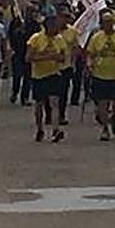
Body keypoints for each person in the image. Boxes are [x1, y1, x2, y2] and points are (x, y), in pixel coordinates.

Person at [85, 11, 115, 141]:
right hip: (100, 74)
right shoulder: (96, 38)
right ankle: (105, 128)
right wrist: (89, 64)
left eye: (109, 22)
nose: (107, 25)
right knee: (102, 103)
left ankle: (113, 118)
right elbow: (90, 53)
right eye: (104, 23)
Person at [27, 14, 67, 143]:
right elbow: (28, 58)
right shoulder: (36, 39)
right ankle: (40, 128)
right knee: (39, 105)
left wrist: (58, 58)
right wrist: (47, 57)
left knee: (54, 102)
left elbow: (63, 57)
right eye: (54, 25)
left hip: (54, 74)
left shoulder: (59, 39)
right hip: (39, 76)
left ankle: (56, 129)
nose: (56, 28)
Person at [8, 5, 36, 106]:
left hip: (28, 53)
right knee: (17, 75)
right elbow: (11, 35)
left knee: (28, 77)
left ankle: (25, 97)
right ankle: (15, 92)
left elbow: (36, 36)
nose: (31, 14)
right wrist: (18, 32)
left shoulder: (34, 24)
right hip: (18, 52)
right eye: (30, 11)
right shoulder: (16, 22)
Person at [57, 3, 81, 122]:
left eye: (66, 16)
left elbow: (76, 48)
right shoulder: (51, 30)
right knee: (50, 92)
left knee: (63, 92)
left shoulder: (72, 31)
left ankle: (61, 114)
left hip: (66, 65)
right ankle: (50, 113)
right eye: (62, 16)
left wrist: (73, 63)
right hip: (51, 66)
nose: (64, 19)